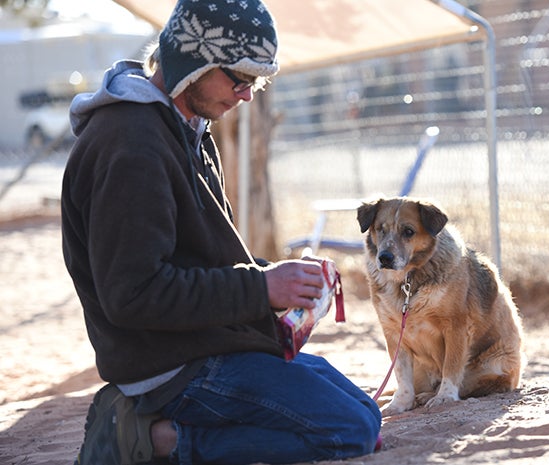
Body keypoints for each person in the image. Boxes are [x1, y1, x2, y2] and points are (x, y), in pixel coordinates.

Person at [61, 1, 382, 464]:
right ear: (194, 62)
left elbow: (200, 260)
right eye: (240, 79)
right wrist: (261, 287)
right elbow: (132, 295)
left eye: (256, 82)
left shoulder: (186, 125)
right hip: (166, 363)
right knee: (348, 431)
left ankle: (160, 429)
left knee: (365, 414)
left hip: (205, 339)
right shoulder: (130, 144)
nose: (247, 95)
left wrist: (281, 279)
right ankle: (148, 438)